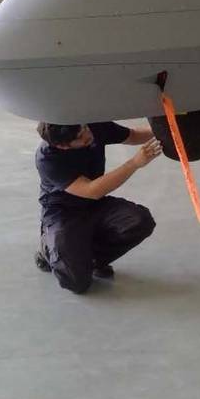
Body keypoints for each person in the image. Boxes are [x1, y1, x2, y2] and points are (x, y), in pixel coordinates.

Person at [33, 121, 161, 294]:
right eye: (80, 137)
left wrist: (165, 127)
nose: (88, 135)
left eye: (85, 128)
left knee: (139, 221)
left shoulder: (91, 125)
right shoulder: (48, 158)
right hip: (63, 213)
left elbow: (133, 135)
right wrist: (134, 163)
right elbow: (91, 190)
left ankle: (90, 259)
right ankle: (49, 251)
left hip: (93, 206)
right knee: (77, 284)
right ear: (63, 146)